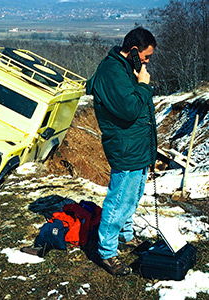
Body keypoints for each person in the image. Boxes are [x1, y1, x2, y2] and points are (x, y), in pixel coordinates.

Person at [86, 27, 157, 276]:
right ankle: (106, 252)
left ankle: (126, 236)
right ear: (135, 51)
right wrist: (144, 85)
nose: (147, 62)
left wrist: (139, 79)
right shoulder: (111, 72)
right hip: (126, 148)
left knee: (132, 196)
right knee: (118, 201)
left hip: (137, 146)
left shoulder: (128, 68)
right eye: (146, 56)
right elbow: (129, 109)